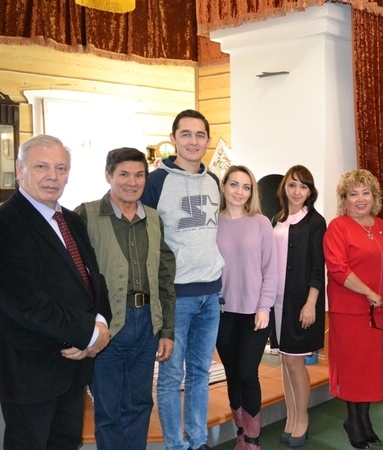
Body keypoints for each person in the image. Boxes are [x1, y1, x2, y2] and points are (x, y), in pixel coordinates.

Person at [0, 134, 112, 449]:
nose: (53, 176)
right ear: (20, 169)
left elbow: (94, 281)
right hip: (29, 374)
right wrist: (89, 335)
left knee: (66, 443)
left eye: (61, 168)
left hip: (72, 369)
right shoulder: (1, 225)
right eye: (41, 167)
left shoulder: (71, 221)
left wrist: (100, 324)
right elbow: (27, 304)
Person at [75, 147, 176, 450]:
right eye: (124, 174)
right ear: (108, 176)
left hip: (146, 324)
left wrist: (166, 330)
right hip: (107, 325)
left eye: (139, 175)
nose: (132, 182)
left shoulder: (154, 218)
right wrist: (86, 327)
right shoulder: (86, 215)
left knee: (140, 404)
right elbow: (74, 276)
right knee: (109, 410)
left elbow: (165, 276)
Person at [141, 109, 225, 450]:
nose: (193, 141)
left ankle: (199, 439)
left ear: (207, 140)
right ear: (173, 138)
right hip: (175, 296)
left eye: (200, 135)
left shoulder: (214, 181)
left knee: (200, 373)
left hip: (211, 294)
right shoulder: (155, 182)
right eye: (186, 134)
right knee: (171, 376)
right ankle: (176, 445)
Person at [323, 169, 383, 449]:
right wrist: (368, 292)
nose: (360, 198)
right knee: (353, 368)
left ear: (374, 197)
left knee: (369, 369)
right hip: (349, 310)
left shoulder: (380, 224)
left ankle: (364, 421)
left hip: (377, 311)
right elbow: (338, 269)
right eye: (353, 194)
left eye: (366, 192)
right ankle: (353, 422)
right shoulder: (338, 227)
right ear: (344, 199)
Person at [215, 165, 278, 450]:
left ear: (252, 192)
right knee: (232, 374)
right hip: (222, 313)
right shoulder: (213, 222)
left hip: (255, 313)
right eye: (234, 185)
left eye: (246, 187)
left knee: (247, 374)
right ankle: (241, 432)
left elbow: (270, 270)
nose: (239, 192)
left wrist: (264, 307)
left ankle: (253, 439)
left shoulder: (261, 223)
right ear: (223, 187)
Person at [271, 165, 326, 448]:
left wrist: (311, 303)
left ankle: (302, 418)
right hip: (276, 300)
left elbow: (318, 267)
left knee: (295, 361)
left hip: (300, 301)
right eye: (292, 185)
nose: (297, 191)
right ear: (284, 188)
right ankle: (291, 417)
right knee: (284, 360)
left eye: (303, 186)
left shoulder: (315, 221)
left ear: (310, 192)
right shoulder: (277, 218)